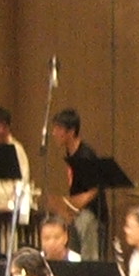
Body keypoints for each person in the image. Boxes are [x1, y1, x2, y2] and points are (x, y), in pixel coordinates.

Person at [48, 108, 110, 263]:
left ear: (71, 131)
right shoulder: (71, 152)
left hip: (91, 216)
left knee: (90, 260)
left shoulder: (85, 155)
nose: (54, 133)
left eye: (59, 129)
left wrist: (70, 206)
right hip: (79, 214)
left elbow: (94, 190)